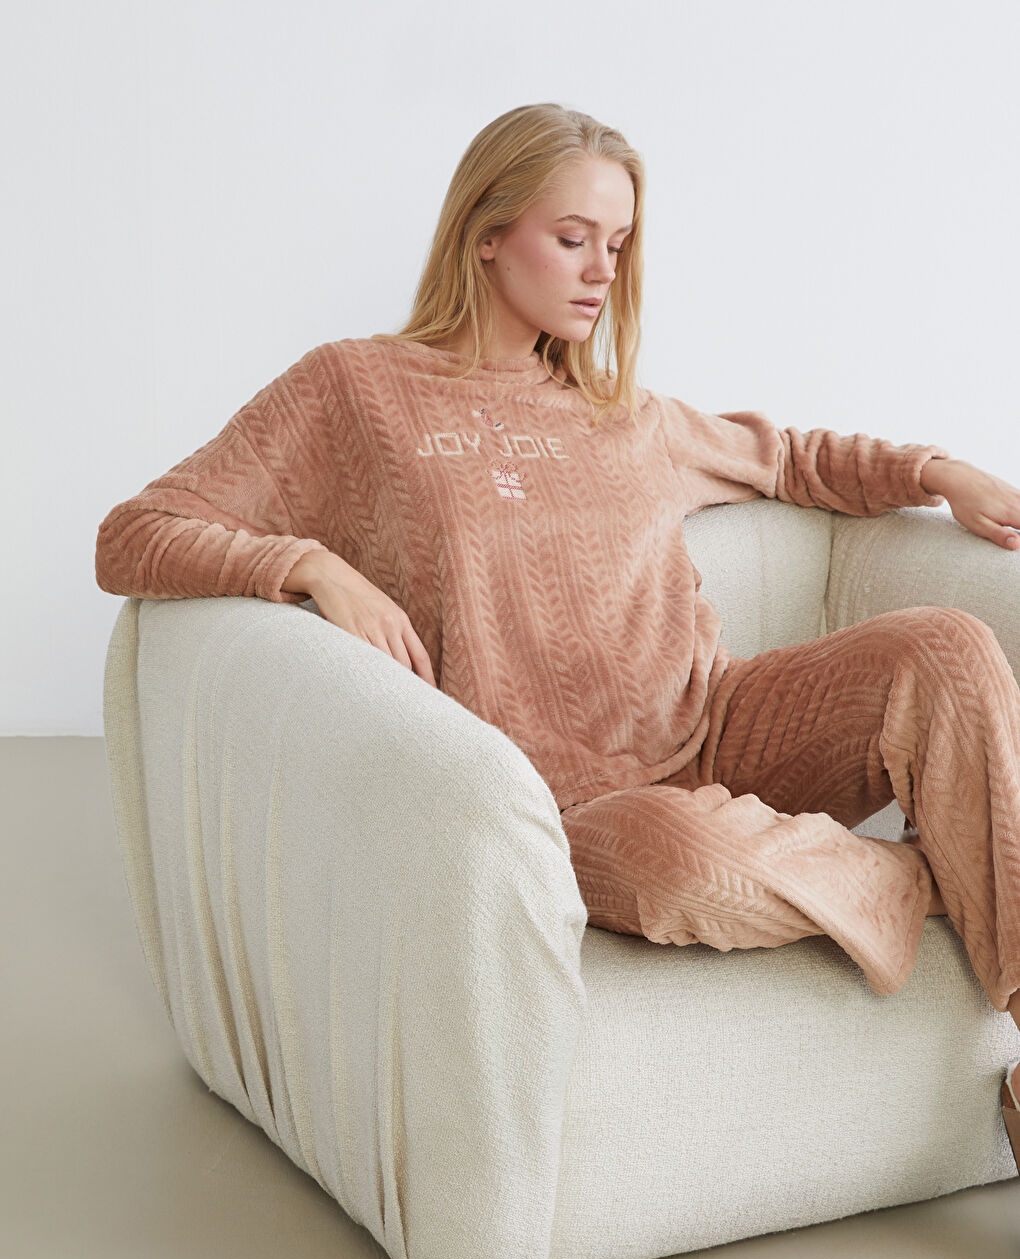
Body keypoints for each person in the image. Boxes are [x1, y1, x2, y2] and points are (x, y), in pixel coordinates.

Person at [95, 102, 1020, 1166]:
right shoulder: (355, 390)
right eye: (572, 238)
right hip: (561, 808)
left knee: (944, 646)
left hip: (720, 727)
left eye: (617, 244)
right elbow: (137, 532)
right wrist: (311, 565)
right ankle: (931, 875)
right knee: (687, 859)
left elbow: (790, 458)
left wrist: (936, 472)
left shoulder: (621, 410)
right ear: (486, 232)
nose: (600, 272)